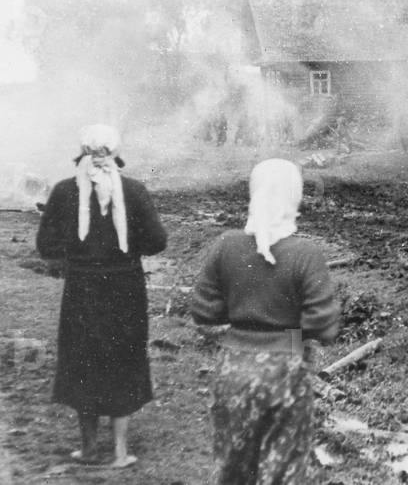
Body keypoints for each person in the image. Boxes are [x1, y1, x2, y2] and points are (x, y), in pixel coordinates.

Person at [191, 158, 339, 484]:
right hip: (286, 371)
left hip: (232, 367)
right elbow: (324, 323)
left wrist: (241, 321)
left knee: (231, 466)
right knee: (281, 468)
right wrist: (291, 337)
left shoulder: (226, 245)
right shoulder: (305, 253)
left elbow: (203, 309)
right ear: (294, 195)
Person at [36, 124, 167, 468]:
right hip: (125, 290)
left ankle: (89, 448)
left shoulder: (64, 192)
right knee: (124, 359)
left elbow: (45, 246)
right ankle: (121, 452)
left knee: (83, 361)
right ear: (115, 154)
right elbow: (157, 242)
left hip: (82, 289)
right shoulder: (135, 191)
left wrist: (77, 252)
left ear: (82, 154)